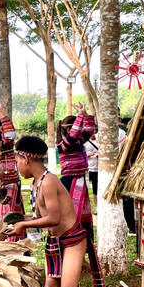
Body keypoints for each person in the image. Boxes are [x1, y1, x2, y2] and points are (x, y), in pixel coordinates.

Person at [10, 136, 109, 287]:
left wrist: (24, 225)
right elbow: (43, 216)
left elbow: (53, 218)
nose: (16, 165)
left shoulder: (48, 181)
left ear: (25, 158)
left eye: (16, 159)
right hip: (55, 244)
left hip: (73, 242)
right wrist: (21, 220)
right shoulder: (37, 182)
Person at [56, 102, 96, 239]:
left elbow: (90, 131)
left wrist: (84, 115)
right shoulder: (64, 145)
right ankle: (71, 240)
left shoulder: (79, 142)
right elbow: (74, 135)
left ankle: (84, 242)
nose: (81, 131)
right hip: (69, 182)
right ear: (69, 130)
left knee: (83, 214)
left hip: (80, 180)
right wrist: (79, 117)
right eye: (79, 127)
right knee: (72, 213)